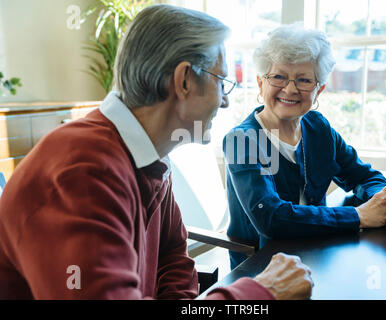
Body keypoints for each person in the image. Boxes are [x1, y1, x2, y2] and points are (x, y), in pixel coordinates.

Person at [0, 5, 313, 300]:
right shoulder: (83, 172)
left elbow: (173, 264)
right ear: (184, 80)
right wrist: (261, 293)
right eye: (221, 82)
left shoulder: (149, 157)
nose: (226, 101)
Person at [223, 23, 386, 269]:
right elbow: (271, 217)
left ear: (319, 89)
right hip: (263, 269)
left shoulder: (318, 127)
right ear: (260, 82)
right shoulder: (241, 140)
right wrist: (359, 215)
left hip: (319, 254)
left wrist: (384, 201)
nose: (290, 89)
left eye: (303, 80)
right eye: (278, 77)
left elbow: (364, 175)